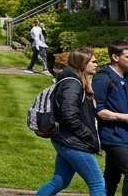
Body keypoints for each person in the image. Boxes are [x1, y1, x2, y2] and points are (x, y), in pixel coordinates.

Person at [36, 47, 105, 196]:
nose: (96, 64)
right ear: (82, 63)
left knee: (59, 181)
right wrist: (88, 135)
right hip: (73, 141)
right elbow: (69, 116)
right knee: (98, 184)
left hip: (66, 139)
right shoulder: (73, 84)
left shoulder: (75, 81)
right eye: (93, 61)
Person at [96, 40, 128, 196]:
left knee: (112, 176)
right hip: (110, 136)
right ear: (115, 57)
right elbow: (99, 110)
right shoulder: (103, 78)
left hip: (124, 135)